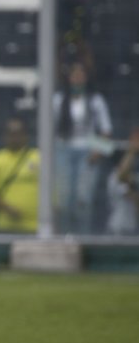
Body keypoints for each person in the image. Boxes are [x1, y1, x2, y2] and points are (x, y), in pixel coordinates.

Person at [54, 61, 113, 233]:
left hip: (88, 151)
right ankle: (64, 235)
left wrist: (98, 151)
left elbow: (106, 131)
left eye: (81, 75)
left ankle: (82, 237)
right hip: (62, 149)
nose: (78, 78)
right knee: (64, 199)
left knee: (83, 199)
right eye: (75, 75)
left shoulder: (96, 100)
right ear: (69, 78)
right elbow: (48, 128)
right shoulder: (58, 100)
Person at [0, 117, 41, 234]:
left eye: (18, 134)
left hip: (38, 227)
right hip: (6, 226)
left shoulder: (39, 158)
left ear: (25, 135)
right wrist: (8, 209)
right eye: (11, 134)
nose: (15, 138)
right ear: (4, 136)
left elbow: (52, 189)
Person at [107, 127, 139, 235]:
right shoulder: (115, 176)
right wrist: (132, 150)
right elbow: (121, 176)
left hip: (133, 229)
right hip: (118, 228)